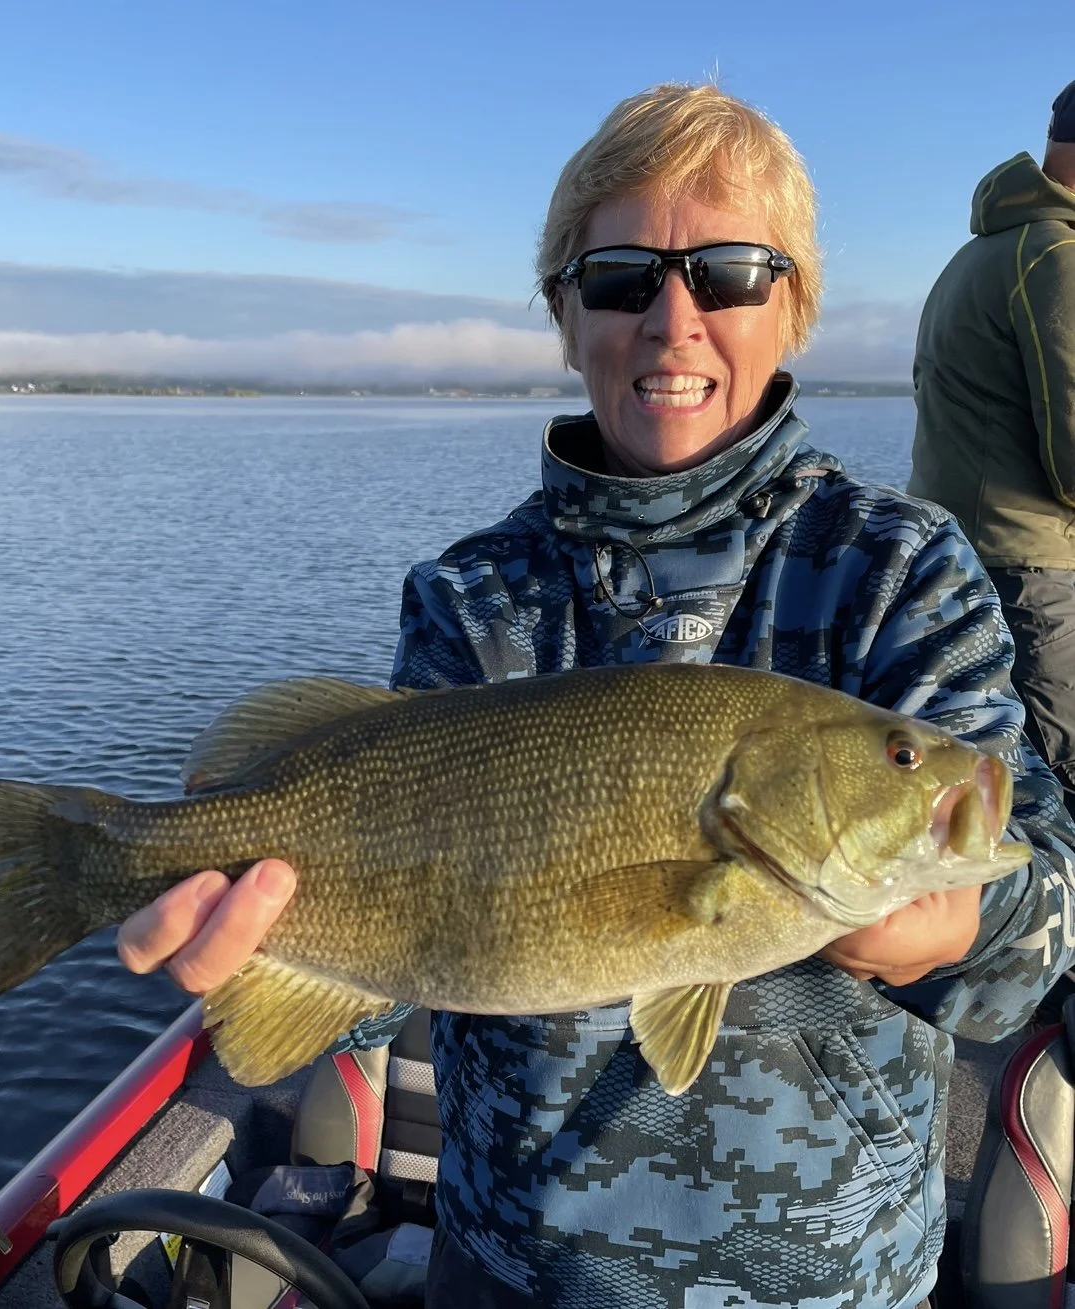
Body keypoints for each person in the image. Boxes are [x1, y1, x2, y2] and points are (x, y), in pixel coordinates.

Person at [117, 84, 1075, 1309]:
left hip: (830, 1284)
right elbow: (405, 910)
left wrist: (956, 931)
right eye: (621, 276)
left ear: (794, 308)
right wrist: (244, 941)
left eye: (730, 271)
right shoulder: (471, 595)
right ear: (565, 317)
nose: (674, 318)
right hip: (511, 1269)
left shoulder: (902, 569)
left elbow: (1035, 919)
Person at [909, 80, 1075, 816]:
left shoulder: (983, 250)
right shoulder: (1055, 256)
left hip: (963, 555)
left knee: (996, 769)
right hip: (1030, 567)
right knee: (1056, 781)